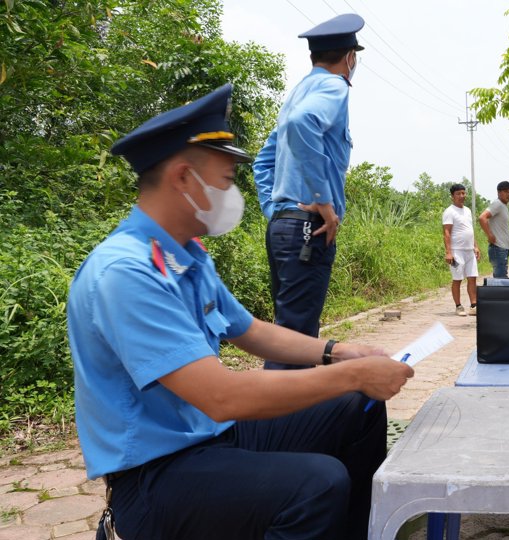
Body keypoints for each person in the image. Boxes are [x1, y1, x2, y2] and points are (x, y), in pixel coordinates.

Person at [67, 84, 414, 540]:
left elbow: (249, 331)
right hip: (156, 476)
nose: (233, 192)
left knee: (355, 409)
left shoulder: (185, 255)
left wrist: (338, 351)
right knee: (316, 484)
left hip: (210, 438)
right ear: (184, 178)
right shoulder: (127, 272)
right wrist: (354, 373)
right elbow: (222, 397)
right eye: (227, 180)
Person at [253, 13, 364, 370]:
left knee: (287, 336)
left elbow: (262, 161)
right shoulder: (333, 87)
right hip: (308, 227)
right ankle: (282, 423)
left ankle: (284, 421)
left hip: (284, 226)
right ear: (350, 57)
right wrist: (325, 203)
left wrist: (274, 209)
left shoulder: (298, 92)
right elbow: (304, 125)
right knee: (296, 343)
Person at [442, 183, 481, 316]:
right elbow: (446, 232)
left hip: (469, 250)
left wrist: (475, 246)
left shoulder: (468, 210)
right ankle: (458, 306)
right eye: (458, 194)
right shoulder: (449, 211)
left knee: (472, 278)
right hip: (457, 250)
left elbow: (470, 230)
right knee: (457, 279)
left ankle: (474, 305)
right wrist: (448, 252)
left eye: (463, 193)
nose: (461, 196)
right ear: (452, 196)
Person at [479, 180, 509, 278]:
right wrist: (489, 235)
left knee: (501, 279)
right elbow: (482, 218)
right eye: (506, 191)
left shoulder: (503, 206)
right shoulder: (498, 204)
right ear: (499, 192)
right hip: (498, 248)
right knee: (501, 281)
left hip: (503, 248)